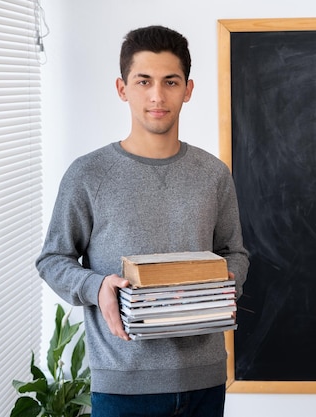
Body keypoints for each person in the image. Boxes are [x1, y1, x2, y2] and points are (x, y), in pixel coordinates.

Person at [36, 25, 249, 417]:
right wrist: (96, 285)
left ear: (188, 90)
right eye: (143, 81)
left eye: (170, 82)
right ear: (122, 89)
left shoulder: (213, 174)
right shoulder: (88, 175)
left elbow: (234, 252)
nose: (157, 95)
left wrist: (221, 286)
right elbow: (52, 260)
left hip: (203, 382)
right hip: (122, 384)